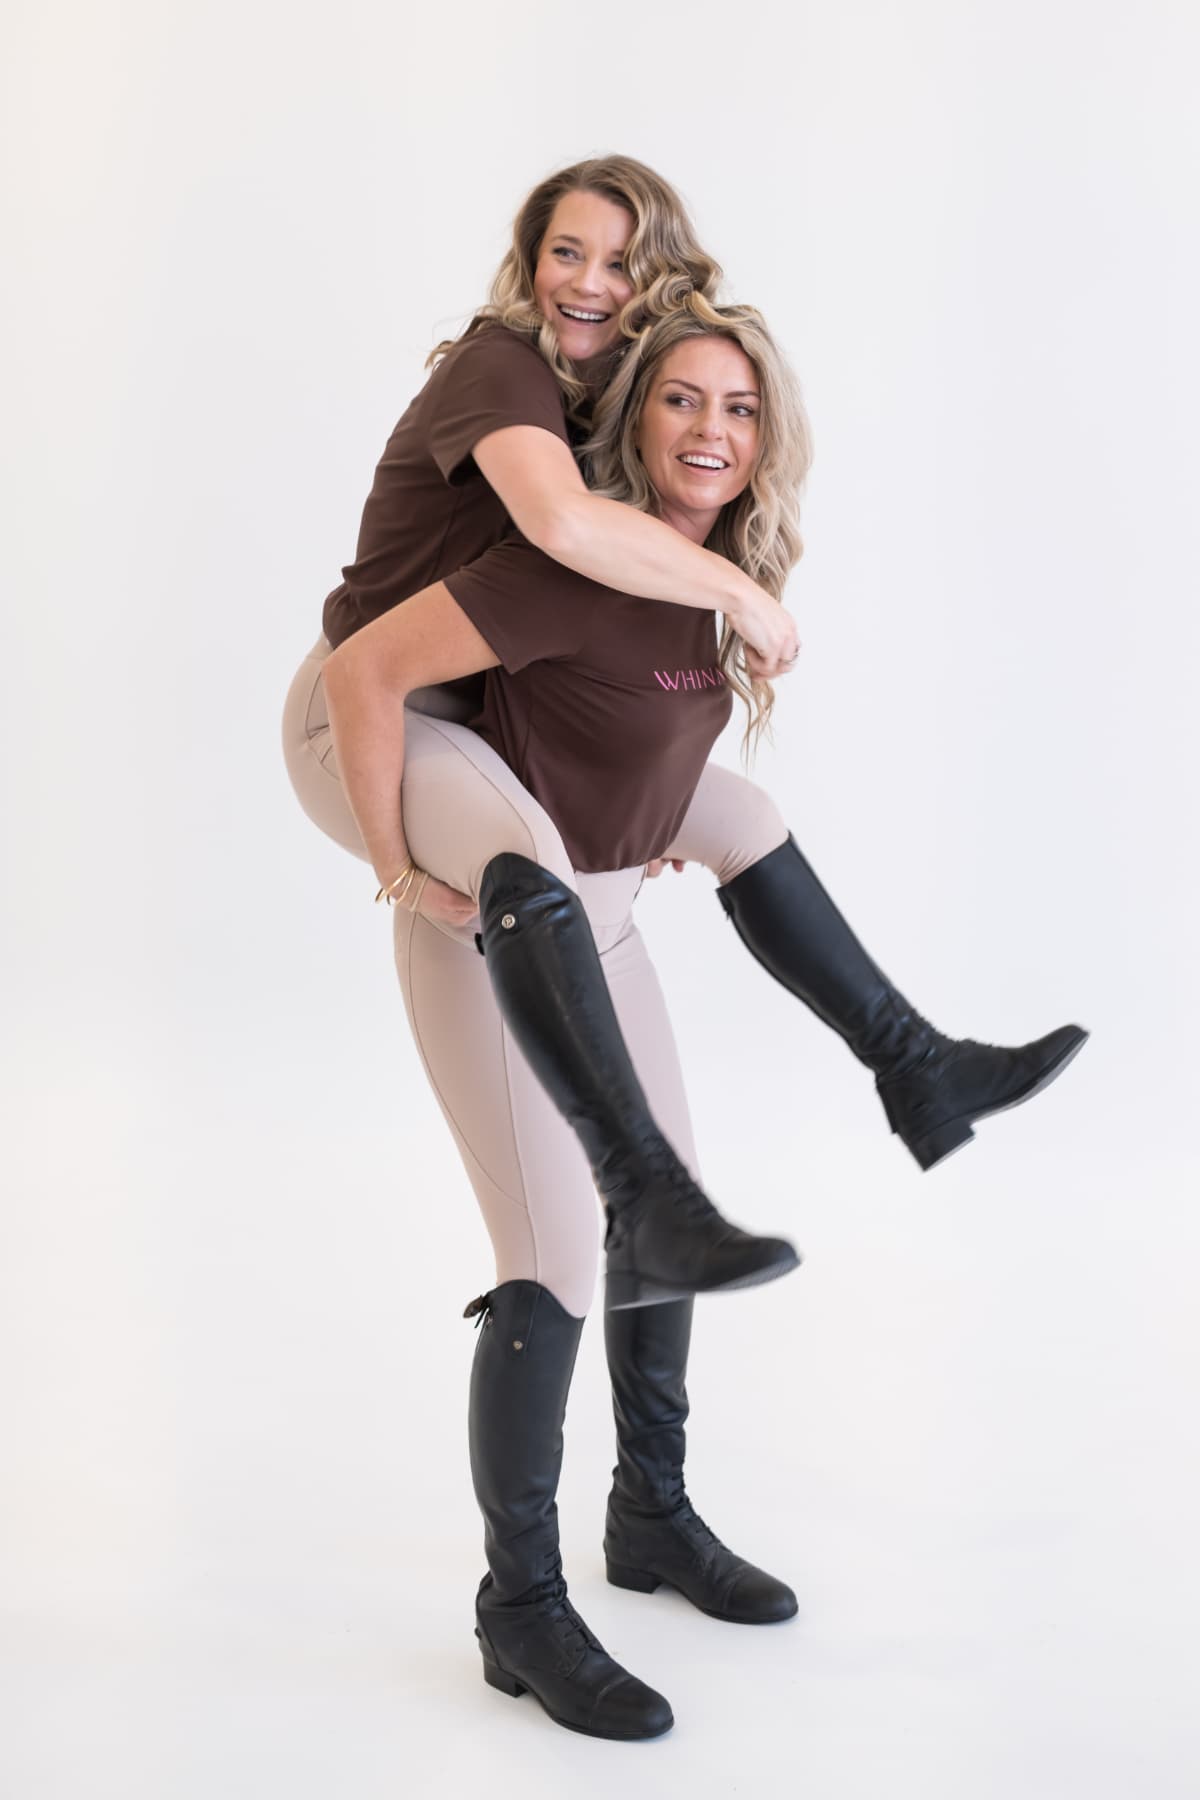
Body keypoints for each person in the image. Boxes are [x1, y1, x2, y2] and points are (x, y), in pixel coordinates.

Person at [287, 300, 816, 1739]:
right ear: (632, 418)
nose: (712, 430)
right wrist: (399, 862)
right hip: (486, 924)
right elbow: (375, 673)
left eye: (741, 409)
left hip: (592, 918)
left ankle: (652, 1513)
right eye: (684, 401)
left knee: (670, 1206)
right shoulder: (565, 546)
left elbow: (601, 747)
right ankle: (518, 1606)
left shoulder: (682, 578)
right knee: (555, 1253)